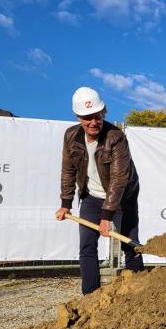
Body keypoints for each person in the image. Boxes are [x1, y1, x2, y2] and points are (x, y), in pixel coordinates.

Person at [55, 86, 144, 294]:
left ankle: (140, 298)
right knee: (87, 247)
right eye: (87, 117)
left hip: (123, 197)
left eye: (97, 116)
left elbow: (119, 179)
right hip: (91, 197)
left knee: (131, 246)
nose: (94, 122)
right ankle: (91, 297)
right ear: (78, 116)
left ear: (103, 113)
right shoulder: (71, 137)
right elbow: (68, 170)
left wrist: (106, 216)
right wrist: (65, 204)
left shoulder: (116, 137)